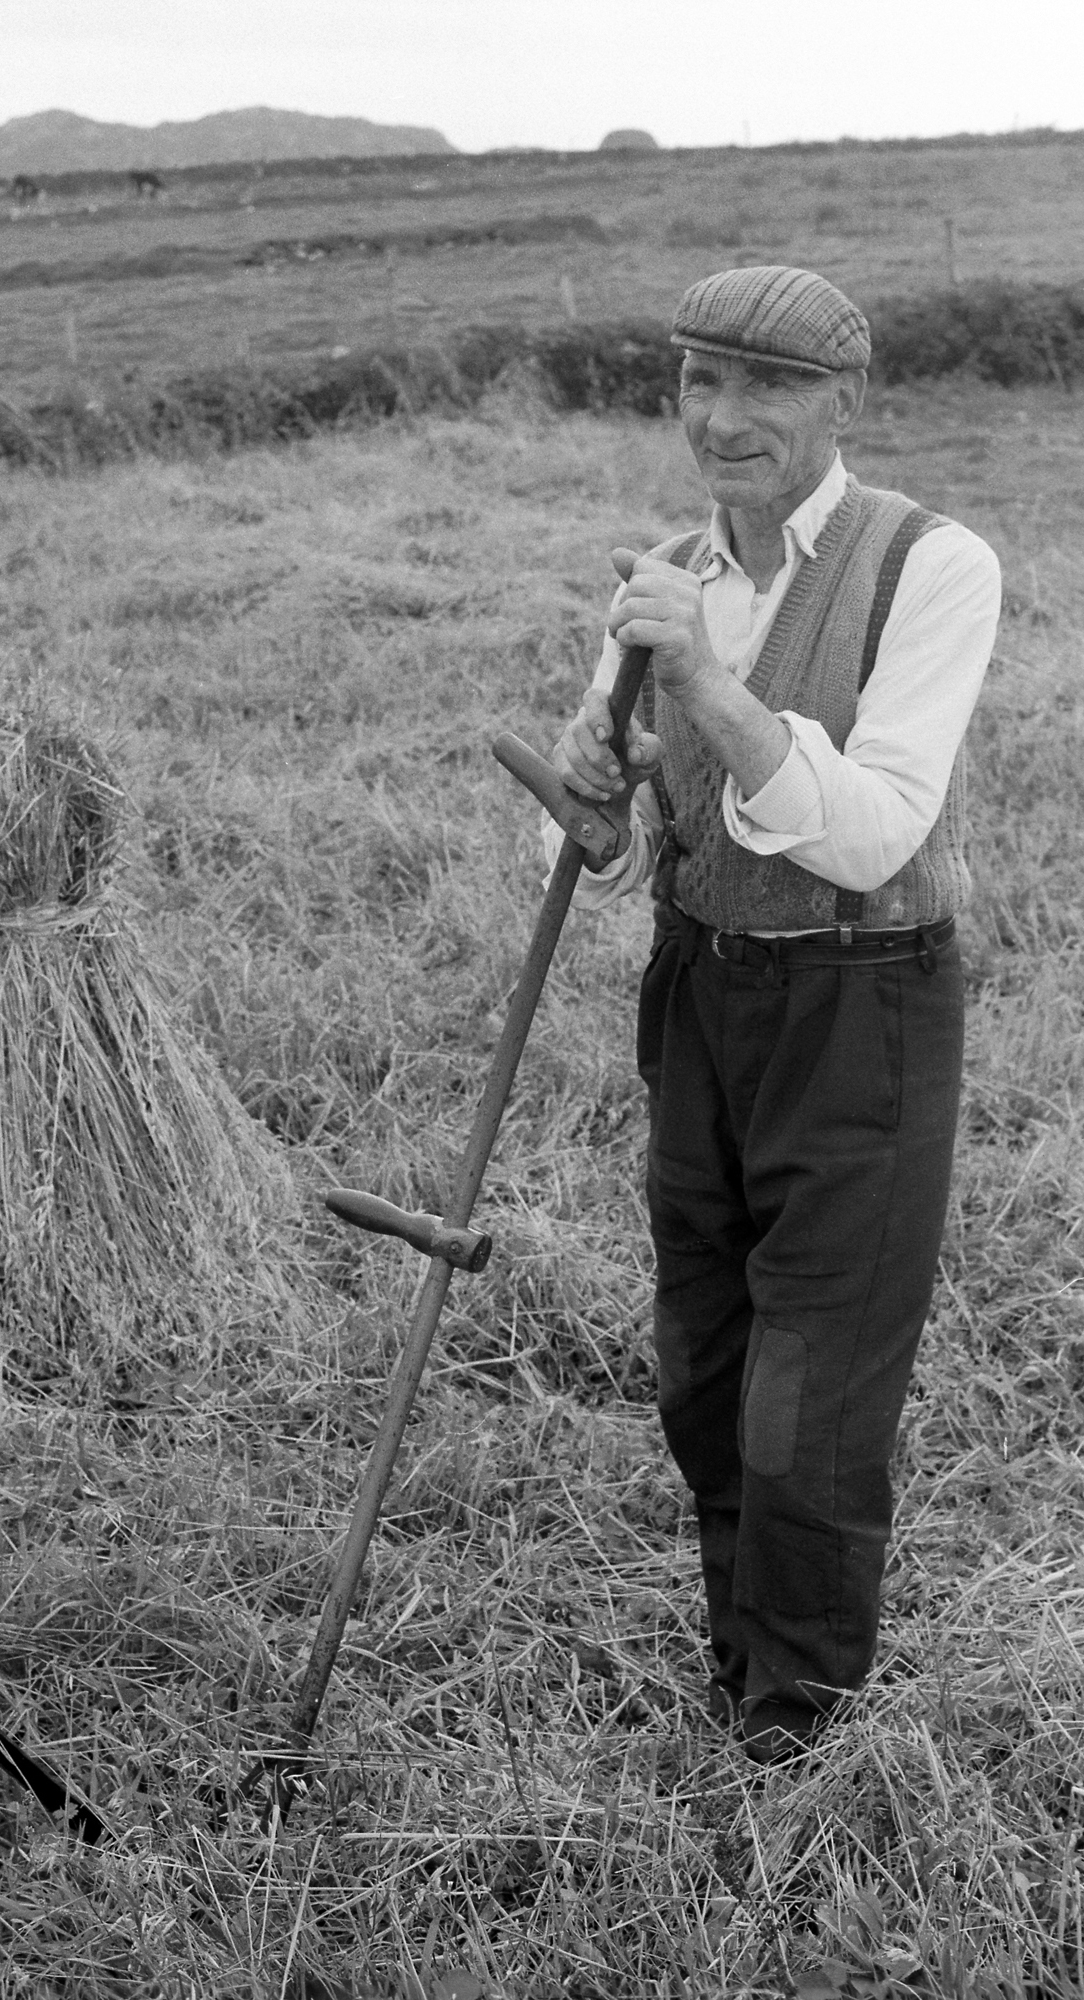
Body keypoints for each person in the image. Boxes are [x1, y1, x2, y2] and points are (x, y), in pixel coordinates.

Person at [546, 266, 1001, 1762]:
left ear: (841, 403)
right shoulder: (665, 576)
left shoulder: (930, 565)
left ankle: (794, 1711)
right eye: (695, 383)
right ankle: (736, 1640)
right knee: (704, 1352)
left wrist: (710, 681)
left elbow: (869, 832)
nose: (720, 420)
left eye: (764, 388)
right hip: (699, 995)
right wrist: (592, 817)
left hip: (860, 999)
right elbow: (621, 845)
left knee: (815, 1368)